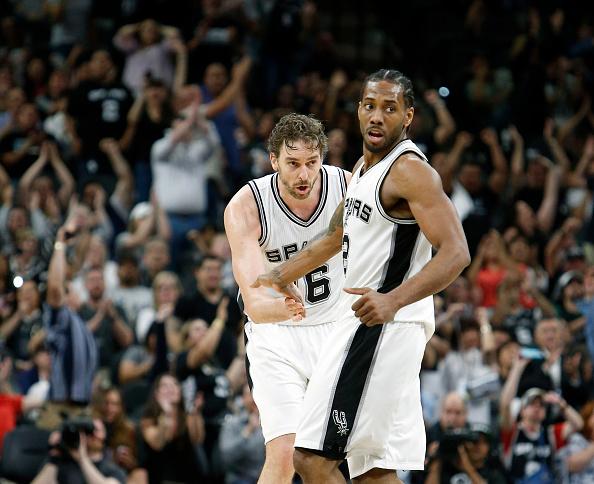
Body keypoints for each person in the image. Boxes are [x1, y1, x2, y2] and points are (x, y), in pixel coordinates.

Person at [252, 69, 470, 483]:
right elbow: (336, 236)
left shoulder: (410, 171)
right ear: (358, 110)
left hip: (382, 323)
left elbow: (457, 252)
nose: (376, 116)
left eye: (389, 108)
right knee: (373, 468)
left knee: (312, 458)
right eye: (370, 106)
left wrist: (393, 300)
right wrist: (280, 275)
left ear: (408, 116)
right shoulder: (364, 168)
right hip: (371, 322)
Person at [224, 112, 350, 483]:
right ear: (274, 159)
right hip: (277, 336)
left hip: (337, 329)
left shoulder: (348, 188)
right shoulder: (247, 205)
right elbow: (252, 298)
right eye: (293, 163)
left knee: (352, 454)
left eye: (312, 163)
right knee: (286, 453)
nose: (304, 175)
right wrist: (278, 306)